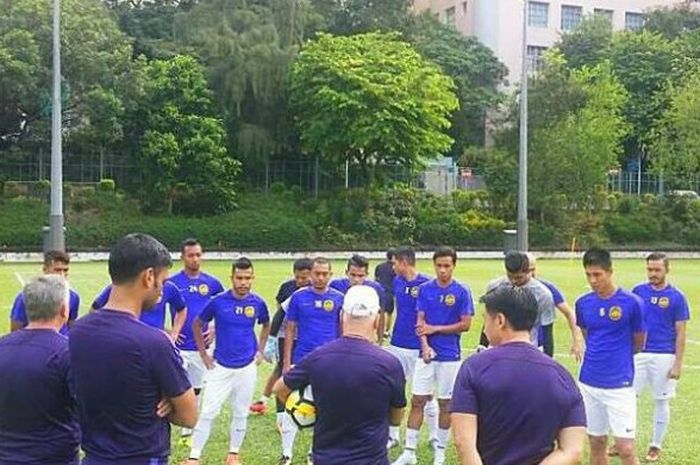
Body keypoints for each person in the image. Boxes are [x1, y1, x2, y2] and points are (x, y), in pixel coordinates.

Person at [69, 233, 197, 465]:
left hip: (94, 457)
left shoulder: (77, 333)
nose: (162, 290)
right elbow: (189, 416)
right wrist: (165, 400)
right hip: (141, 457)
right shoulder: (153, 342)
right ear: (149, 277)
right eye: (163, 281)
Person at [451, 285, 586, 465]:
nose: (484, 330)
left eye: (485, 321)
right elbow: (573, 450)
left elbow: (464, 444)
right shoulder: (562, 376)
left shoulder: (474, 368)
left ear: (500, 320)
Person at [273, 285, 407, 465]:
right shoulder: (389, 364)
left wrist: (307, 412)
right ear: (376, 320)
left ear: (341, 316)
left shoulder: (318, 357)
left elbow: (280, 389)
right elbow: (397, 414)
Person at [183, 258, 270, 465]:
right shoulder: (218, 301)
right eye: (239, 278)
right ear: (232, 278)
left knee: (241, 412)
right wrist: (204, 354)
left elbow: (266, 325)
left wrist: (260, 351)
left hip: (246, 367)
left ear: (252, 278)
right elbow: (197, 324)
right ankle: (194, 457)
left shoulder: (257, 303)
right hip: (219, 366)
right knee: (207, 412)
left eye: (247, 278)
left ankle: (233, 454)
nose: (243, 282)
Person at [393, 246, 473, 465]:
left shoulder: (462, 291)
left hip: (450, 356)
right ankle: (409, 451)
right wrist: (425, 345)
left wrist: (435, 329)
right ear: (434, 265)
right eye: (439, 266)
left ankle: (440, 451)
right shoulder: (426, 289)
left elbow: (466, 324)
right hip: (426, 356)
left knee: (446, 403)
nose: (442, 270)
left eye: (447, 266)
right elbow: (420, 322)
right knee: (417, 400)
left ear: (454, 266)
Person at [0, 275, 80, 465]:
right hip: (55, 457)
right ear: (64, 309)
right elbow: (90, 407)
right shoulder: (69, 353)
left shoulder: (2, 347)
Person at [576, 247, 646, 465]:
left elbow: (639, 342)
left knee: (625, 449)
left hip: (619, 384)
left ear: (610, 271)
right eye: (588, 274)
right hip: (589, 382)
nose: (593, 280)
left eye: (598, 274)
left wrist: (617, 358)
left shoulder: (632, 303)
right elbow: (588, 335)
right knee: (596, 443)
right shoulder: (583, 303)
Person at [281, 257, 345, 465]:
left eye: (325, 274)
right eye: (316, 273)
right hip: (302, 359)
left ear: (330, 275)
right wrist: (286, 361)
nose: (320, 277)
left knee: (324, 408)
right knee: (293, 404)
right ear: (310, 274)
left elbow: (343, 331)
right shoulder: (298, 297)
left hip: (330, 362)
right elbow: (290, 329)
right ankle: (286, 453)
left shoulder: (339, 298)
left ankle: (313, 452)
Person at [631, 252, 690, 462]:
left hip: (664, 355)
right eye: (650, 269)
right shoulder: (638, 291)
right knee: (628, 399)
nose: (653, 274)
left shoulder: (677, 297)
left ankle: (655, 445)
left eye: (657, 270)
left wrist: (678, 363)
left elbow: (681, 332)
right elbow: (631, 322)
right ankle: (625, 441)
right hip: (639, 354)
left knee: (661, 401)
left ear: (667, 270)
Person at [168, 238, 225, 439]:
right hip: (180, 345)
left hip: (202, 346)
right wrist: (169, 332)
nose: (195, 259)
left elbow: (224, 308)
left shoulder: (212, 283)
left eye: (198, 255)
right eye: (190, 255)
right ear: (182, 257)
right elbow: (155, 307)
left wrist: (214, 328)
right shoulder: (172, 283)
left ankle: (190, 425)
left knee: (198, 386)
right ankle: (180, 422)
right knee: (178, 385)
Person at [386, 246, 438, 450]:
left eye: (394, 262)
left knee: (426, 394)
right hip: (398, 343)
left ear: (403, 262)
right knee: (394, 391)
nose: (393, 266)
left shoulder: (425, 283)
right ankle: (392, 436)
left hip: (418, 346)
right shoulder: (397, 281)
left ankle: (434, 436)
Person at [249, 258, 313, 419]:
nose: (300, 281)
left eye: (304, 278)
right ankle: (272, 406)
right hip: (286, 335)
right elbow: (279, 314)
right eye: (297, 277)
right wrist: (271, 340)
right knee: (283, 368)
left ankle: (305, 405)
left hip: (306, 336)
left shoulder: (319, 291)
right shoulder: (290, 290)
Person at [479, 252, 554, 348]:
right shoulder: (495, 287)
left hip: (526, 347)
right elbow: (489, 318)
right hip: (496, 347)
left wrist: (548, 357)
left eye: (519, 277)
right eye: (510, 277)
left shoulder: (543, 295)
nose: (514, 281)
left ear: (528, 271)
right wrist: (482, 347)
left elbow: (547, 330)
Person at [526, 253, 583, 360]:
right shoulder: (510, 288)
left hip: (541, 347)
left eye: (533, 269)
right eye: (527, 270)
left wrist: (577, 339)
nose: (531, 274)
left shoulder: (546, 289)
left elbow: (569, 313)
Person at [91, 281, 187, 343]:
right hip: (126, 341)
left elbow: (182, 308)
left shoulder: (168, 287)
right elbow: (94, 309)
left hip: (154, 343)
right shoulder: (121, 287)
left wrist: (174, 333)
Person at [10, 250, 80, 335]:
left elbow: (71, 327)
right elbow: (16, 330)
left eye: (65, 270)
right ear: (45, 270)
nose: (62, 275)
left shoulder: (73, 297)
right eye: (57, 270)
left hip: (61, 346)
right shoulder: (25, 297)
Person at [330, 254, 387, 341]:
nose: (356, 279)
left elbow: (381, 314)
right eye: (353, 275)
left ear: (367, 274)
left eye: (360, 276)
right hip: (339, 338)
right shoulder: (336, 287)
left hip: (365, 338)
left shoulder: (375, 289)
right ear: (346, 272)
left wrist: (380, 339)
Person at [375, 248, 397, 337]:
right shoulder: (395, 267)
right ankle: (387, 331)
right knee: (389, 313)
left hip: (380, 291)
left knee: (380, 312)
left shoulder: (379, 266)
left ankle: (380, 331)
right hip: (390, 292)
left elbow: (376, 279)